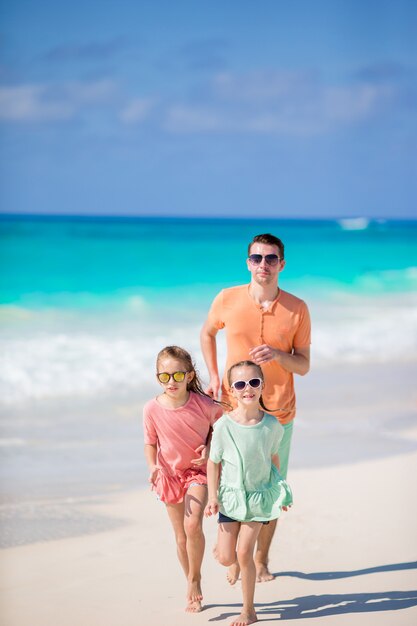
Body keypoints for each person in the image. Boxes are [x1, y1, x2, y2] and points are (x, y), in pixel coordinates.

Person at [200, 233, 310, 583]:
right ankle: (236, 555)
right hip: (232, 412)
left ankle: (260, 560)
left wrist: (279, 356)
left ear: (282, 264)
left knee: (270, 489)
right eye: (257, 258)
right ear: (248, 262)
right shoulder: (227, 298)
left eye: (271, 258)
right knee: (233, 483)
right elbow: (206, 333)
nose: (264, 264)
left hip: (278, 414)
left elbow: (304, 365)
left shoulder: (298, 308)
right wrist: (215, 377)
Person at [205, 360, 292, 626]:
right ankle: (226, 557)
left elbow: (274, 460)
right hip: (230, 498)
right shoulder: (223, 426)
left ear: (262, 386)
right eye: (240, 384)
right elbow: (213, 462)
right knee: (227, 557)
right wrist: (212, 496)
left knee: (245, 553)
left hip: (257, 499)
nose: (248, 389)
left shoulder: (272, 425)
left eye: (253, 382)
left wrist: (280, 492)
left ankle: (249, 610)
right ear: (231, 391)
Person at [143, 345, 223, 613]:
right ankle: (189, 577)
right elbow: (150, 443)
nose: (171, 382)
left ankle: (195, 579)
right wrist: (152, 465)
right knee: (180, 537)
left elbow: (221, 430)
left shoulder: (204, 405)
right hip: (169, 475)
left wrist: (210, 447)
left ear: (189, 376)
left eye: (178, 375)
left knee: (192, 527)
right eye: (164, 377)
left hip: (197, 473)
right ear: (157, 378)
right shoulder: (151, 409)